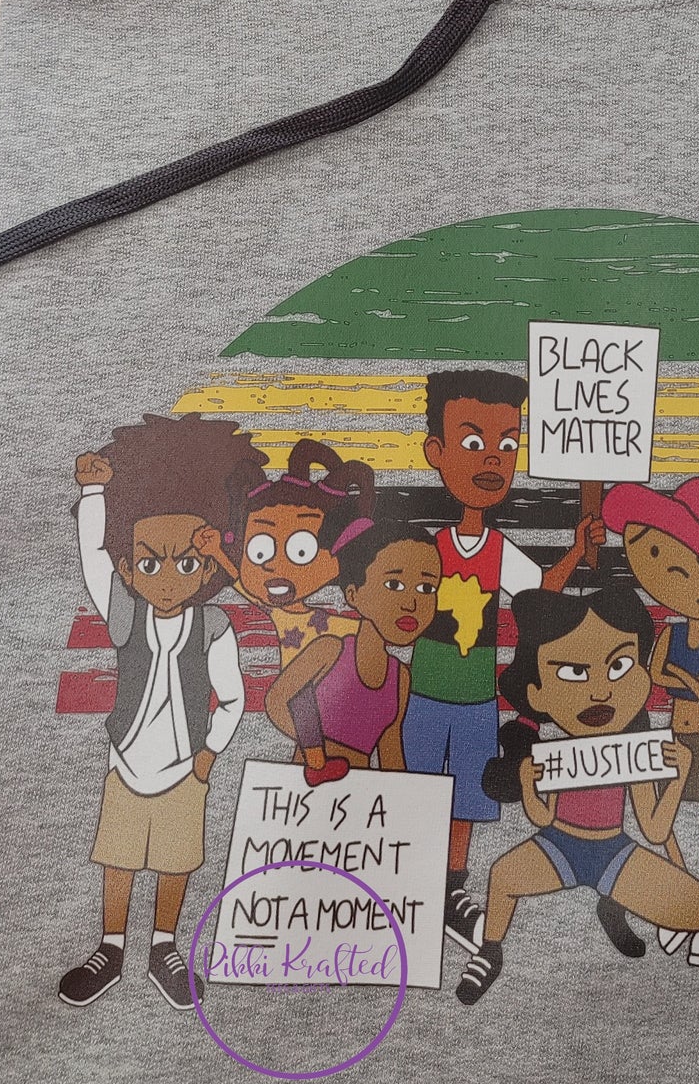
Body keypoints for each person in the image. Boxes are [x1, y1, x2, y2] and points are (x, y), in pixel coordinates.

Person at [59, 416, 260, 1013]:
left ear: (207, 567)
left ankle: (163, 947)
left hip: (185, 765)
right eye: (150, 565)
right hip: (126, 759)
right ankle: (111, 947)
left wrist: (208, 754)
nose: (169, 578)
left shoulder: (214, 625)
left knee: (176, 859)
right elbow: (93, 557)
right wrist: (93, 493)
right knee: (118, 856)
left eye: (186, 564)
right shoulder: (125, 614)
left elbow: (233, 696)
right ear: (129, 570)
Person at [401, 368, 600, 952]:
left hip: (476, 697)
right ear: (436, 453)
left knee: (468, 794)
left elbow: (540, 591)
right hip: (424, 692)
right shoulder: (430, 548)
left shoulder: (497, 549)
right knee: (420, 788)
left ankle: (452, 888)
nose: (492, 458)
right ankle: (412, 881)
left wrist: (577, 550)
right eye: (473, 442)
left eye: (508, 445)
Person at [454, 584, 699, 1007]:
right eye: (573, 673)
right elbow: (542, 818)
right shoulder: (554, 755)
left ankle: (611, 904)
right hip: (558, 846)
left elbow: (653, 829)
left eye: (619, 666)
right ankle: (489, 953)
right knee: (502, 875)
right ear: (537, 693)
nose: (599, 691)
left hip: (614, 851)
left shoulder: (633, 751)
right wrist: (528, 781)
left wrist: (679, 774)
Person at [603, 474, 699, 967]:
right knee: (662, 824)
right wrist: (695, 683)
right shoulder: (669, 632)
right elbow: (656, 673)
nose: (685, 576)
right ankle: (685, 900)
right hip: (671, 738)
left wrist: (696, 687)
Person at [198, 439, 373, 785]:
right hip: (299, 688)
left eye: (301, 550)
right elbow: (238, 581)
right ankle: (318, 760)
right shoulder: (279, 613)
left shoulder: (336, 621)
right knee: (300, 699)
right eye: (260, 551)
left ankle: (319, 758)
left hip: (332, 692)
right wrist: (216, 551)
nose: (275, 566)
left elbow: (358, 633)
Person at [263, 524, 440, 771]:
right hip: (306, 786)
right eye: (394, 584)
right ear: (353, 594)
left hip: (362, 789)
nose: (411, 604)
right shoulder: (329, 651)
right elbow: (276, 701)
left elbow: (390, 751)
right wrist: (315, 750)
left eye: (426, 588)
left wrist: (404, 792)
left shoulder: (400, 677)